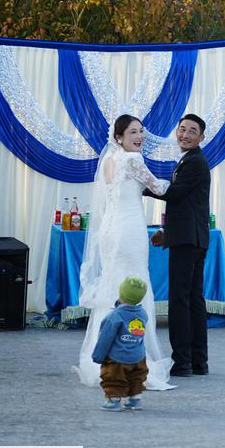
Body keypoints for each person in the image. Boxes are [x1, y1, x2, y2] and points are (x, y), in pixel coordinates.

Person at [74, 115, 173, 391]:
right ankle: (138, 355)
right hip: (128, 229)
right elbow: (158, 187)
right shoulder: (132, 160)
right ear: (119, 137)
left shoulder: (108, 161)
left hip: (110, 229)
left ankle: (103, 354)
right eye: (133, 132)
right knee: (135, 284)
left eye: (142, 131)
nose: (140, 136)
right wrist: (177, 178)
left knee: (114, 286)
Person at [148, 114, 211, 377]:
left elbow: (174, 194)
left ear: (201, 137)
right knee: (193, 300)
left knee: (180, 301)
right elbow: (185, 204)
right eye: (182, 129)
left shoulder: (194, 162)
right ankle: (198, 361)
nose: (185, 134)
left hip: (188, 241)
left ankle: (182, 361)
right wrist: (166, 232)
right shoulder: (189, 160)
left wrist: (142, 184)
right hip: (191, 238)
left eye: (191, 131)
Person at [93, 276, 150, 411]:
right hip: (138, 356)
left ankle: (113, 400)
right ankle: (135, 400)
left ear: (121, 294)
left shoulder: (115, 315)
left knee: (113, 378)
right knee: (136, 377)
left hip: (117, 358)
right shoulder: (142, 313)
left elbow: (105, 338)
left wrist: (98, 356)